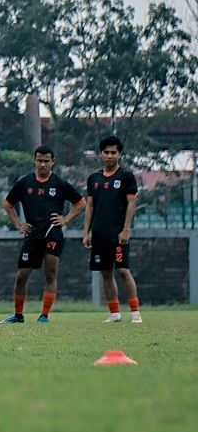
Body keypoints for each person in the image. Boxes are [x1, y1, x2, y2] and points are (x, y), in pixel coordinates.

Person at [0, 144, 85, 324]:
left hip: (52, 234)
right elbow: (8, 204)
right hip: (32, 235)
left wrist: (65, 219)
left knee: (50, 273)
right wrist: (18, 225)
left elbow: (81, 203)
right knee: (22, 275)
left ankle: (44, 315)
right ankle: (18, 315)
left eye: (46, 161)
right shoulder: (24, 183)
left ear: (52, 162)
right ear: (34, 160)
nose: (43, 164)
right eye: (39, 161)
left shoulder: (59, 184)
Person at [83, 134, 142, 323]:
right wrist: (87, 232)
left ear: (119, 155)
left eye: (113, 152)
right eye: (106, 152)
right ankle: (115, 314)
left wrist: (126, 229)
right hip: (99, 234)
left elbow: (131, 204)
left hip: (118, 233)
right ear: (100, 154)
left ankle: (135, 312)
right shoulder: (93, 178)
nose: (109, 155)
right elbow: (90, 206)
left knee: (123, 270)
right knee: (106, 273)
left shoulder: (126, 177)